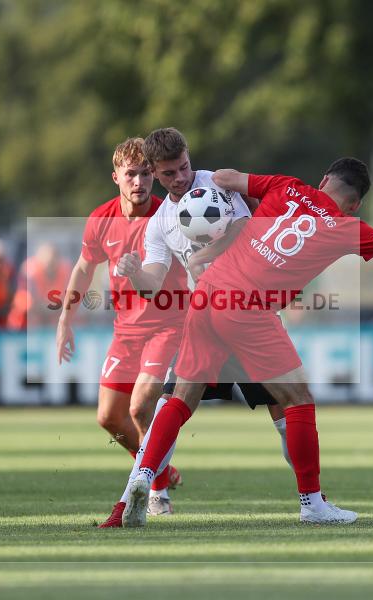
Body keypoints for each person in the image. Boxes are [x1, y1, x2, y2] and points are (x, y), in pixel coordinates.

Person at [120, 157, 373, 527]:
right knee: (298, 400)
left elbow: (226, 178)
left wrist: (195, 182)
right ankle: (313, 504)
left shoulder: (285, 185)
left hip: (207, 294)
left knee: (180, 399)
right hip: (248, 306)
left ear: (324, 180)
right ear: (355, 203)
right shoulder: (345, 227)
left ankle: (143, 478)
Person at [98, 128, 296, 528]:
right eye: (170, 174)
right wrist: (136, 274)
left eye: (184, 167)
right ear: (155, 172)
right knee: (171, 409)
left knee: (286, 408)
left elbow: (247, 229)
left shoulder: (219, 183)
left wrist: (205, 253)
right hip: (209, 317)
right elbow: (154, 282)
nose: (181, 178)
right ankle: (134, 498)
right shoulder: (159, 223)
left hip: (248, 308)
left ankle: (312, 495)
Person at [56, 138, 189, 522]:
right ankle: (160, 468)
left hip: (168, 324)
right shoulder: (102, 219)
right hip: (126, 331)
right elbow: (84, 267)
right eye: (131, 174)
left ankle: (157, 491)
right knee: (109, 418)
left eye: (146, 174)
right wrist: (66, 318)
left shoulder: (169, 216)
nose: (140, 182)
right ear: (115, 177)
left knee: (141, 405)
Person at [7, 242, 71, 330]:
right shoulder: (30, 271)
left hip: (55, 310)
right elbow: (29, 301)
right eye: (47, 262)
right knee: (23, 307)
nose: (49, 266)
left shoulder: (65, 271)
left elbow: (69, 300)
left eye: (53, 262)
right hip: (34, 310)